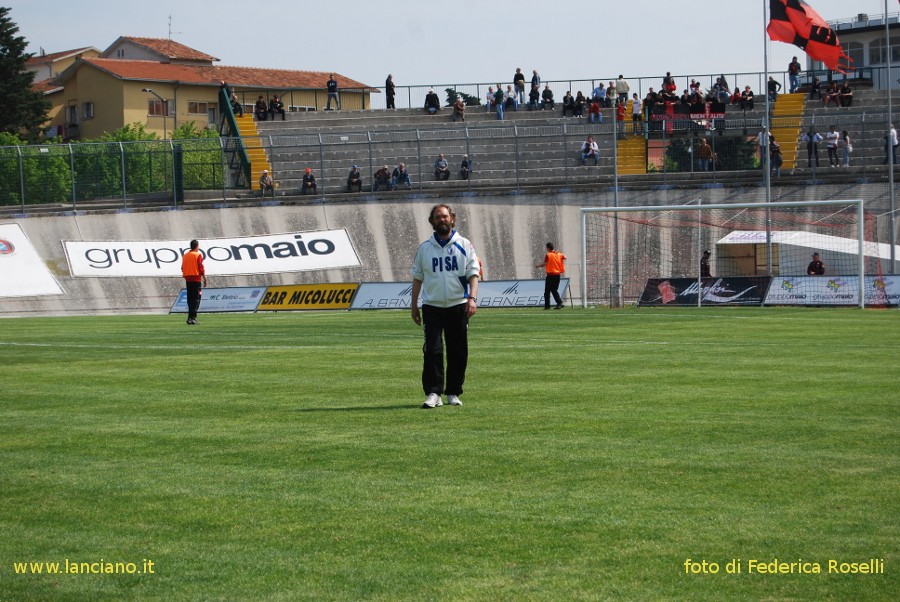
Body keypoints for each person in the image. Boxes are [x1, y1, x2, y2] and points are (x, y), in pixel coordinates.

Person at [410, 204, 480, 409]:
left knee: (458, 351)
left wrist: (472, 299)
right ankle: (433, 392)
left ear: (452, 219)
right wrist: (414, 306)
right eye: (438, 217)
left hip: (458, 305)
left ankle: (453, 392)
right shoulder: (425, 248)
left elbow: (473, 274)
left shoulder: (464, 245)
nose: (442, 219)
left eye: (445, 216)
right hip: (432, 306)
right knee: (432, 350)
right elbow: (417, 278)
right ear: (432, 222)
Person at [181, 239, 207, 325]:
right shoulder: (197, 255)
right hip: (196, 279)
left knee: (190, 299)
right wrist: (204, 277)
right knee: (196, 299)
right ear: (197, 246)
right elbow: (200, 267)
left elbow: (182, 267)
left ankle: (190, 317)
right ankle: (192, 318)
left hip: (188, 279)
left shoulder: (185, 255)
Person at [536, 242, 566, 309]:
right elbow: (564, 257)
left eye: (546, 248)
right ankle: (559, 303)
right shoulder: (559, 254)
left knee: (547, 291)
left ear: (548, 248)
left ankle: (547, 306)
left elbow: (545, 264)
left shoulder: (548, 255)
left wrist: (538, 266)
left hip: (550, 275)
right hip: (557, 275)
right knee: (554, 290)